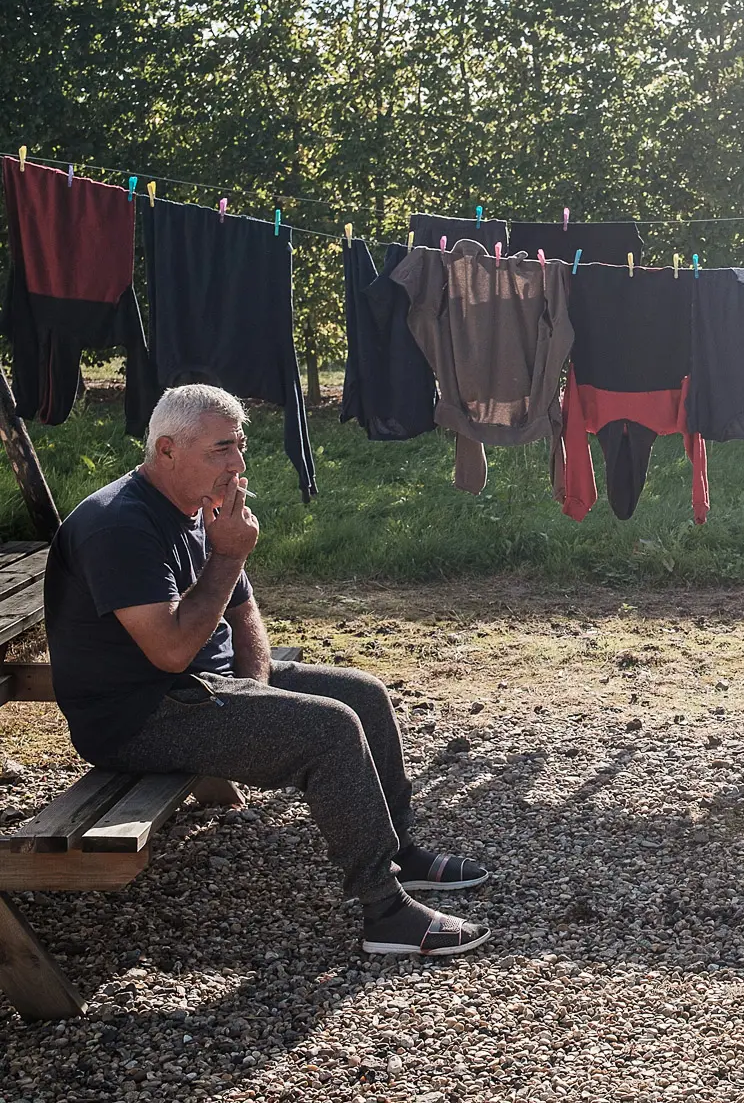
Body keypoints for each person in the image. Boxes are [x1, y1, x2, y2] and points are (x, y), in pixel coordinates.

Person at [44, 384, 492, 956]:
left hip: (204, 687)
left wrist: (254, 687)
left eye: (241, 446)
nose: (237, 464)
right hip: (137, 715)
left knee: (365, 695)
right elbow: (170, 653)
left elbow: (241, 608)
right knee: (329, 728)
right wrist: (229, 554)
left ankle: (399, 850)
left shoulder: (198, 506)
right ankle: (384, 913)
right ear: (166, 451)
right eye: (220, 450)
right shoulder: (119, 527)